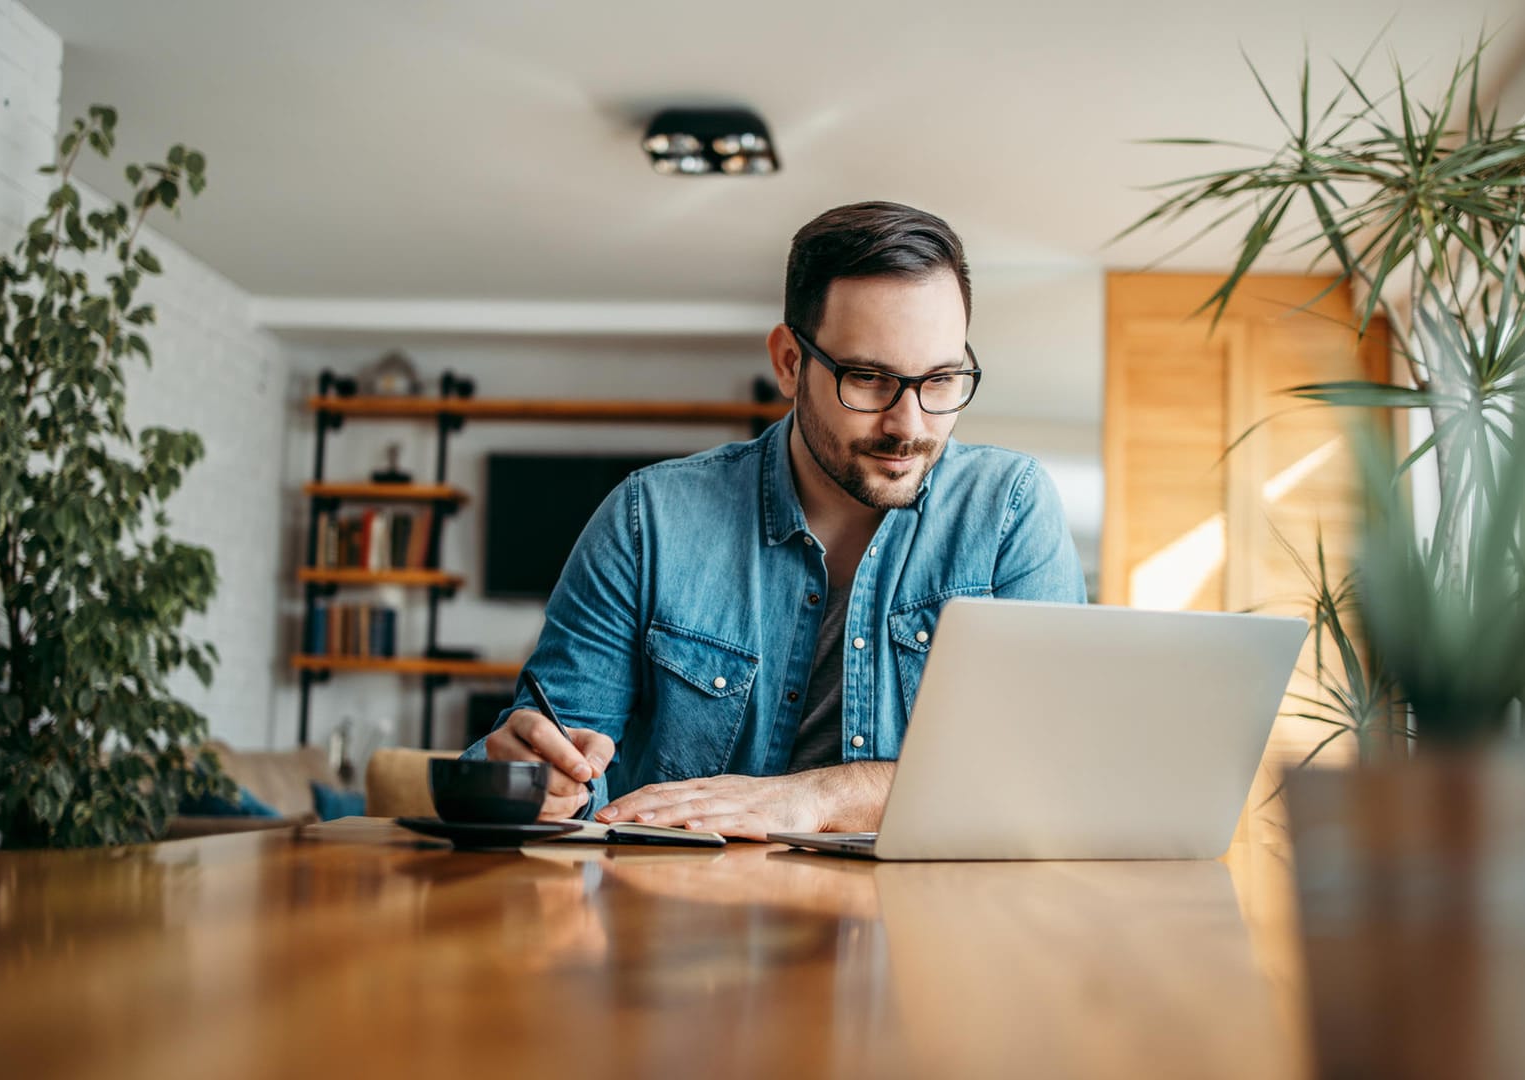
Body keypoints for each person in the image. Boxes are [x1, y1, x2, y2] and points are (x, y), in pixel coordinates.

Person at [462, 201, 1085, 838]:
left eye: (942, 379)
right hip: (681, 924)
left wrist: (817, 798)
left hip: (925, 928)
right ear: (790, 363)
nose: (911, 425)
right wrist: (532, 778)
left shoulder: (1009, 509)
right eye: (868, 378)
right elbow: (547, 757)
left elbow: (1053, 772)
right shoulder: (647, 518)